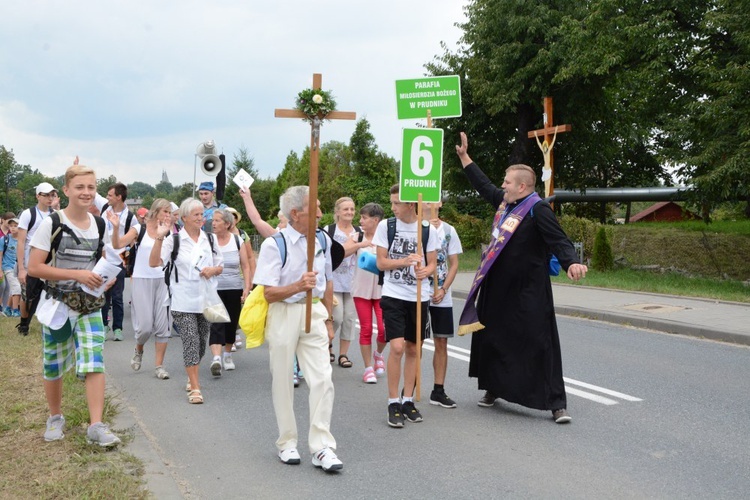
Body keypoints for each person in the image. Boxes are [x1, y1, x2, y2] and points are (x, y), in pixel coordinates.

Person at [455, 131, 587, 424]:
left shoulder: (537, 209)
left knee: (540, 342)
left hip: (529, 291)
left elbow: (559, 240)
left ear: (523, 186)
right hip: (497, 289)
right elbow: (483, 185)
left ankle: (556, 403)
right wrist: (465, 158)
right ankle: (493, 388)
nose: (502, 185)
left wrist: (571, 263)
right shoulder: (504, 204)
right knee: (493, 339)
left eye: (507, 182)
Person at [27, 164, 121, 447]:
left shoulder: (100, 224)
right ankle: (55, 417)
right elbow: (34, 268)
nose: (86, 192)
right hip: (57, 306)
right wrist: (76, 274)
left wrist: (107, 279)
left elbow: (105, 259)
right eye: (79, 187)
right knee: (53, 366)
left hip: (90, 305)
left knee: (94, 360)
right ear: (66, 190)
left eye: (91, 187)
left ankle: (96, 425)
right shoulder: (51, 223)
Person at [253, 185, 343, 472]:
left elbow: (327, 282)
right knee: (282, 379)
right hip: (283, 313)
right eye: (313, 209)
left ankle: (322, 447)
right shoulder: (273, 245)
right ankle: (287, 442)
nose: (319, 213)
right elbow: (268, 293)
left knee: (323, 379)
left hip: (314, 311)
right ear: (295, 214)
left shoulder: (323, 241)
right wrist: (297, 286)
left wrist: (328, 319)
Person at [374, 184, 437, 428]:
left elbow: (432, 263)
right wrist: (404, 261)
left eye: (397, 203)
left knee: (414, 348)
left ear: (411, 204)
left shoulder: (427, 229)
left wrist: (425, 270)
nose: (393, 208)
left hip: (419, 296)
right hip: (393, 293)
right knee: (397, 347)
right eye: (392, 203)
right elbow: (380, 263)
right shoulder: (386, 226)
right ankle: (392, 402)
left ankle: (408, 399)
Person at [149, 198, 223, 404]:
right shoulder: (174, 240)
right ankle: (196, 388)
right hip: (182, 300)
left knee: (200, 343)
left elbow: (220, 266)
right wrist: (159, 238)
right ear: (184, 218)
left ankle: (193, 376)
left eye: (202, 214)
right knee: (190, 340)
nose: (201, 218)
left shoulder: (210, 239)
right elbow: (154, 262)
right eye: (196, 215)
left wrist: (213, 270)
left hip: (205, 300)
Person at [112, 199, 173, 380]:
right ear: (155, 212)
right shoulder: (140, 230)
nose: (168, 216)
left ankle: (159, 366)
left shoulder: (170, 233)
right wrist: (115, 228)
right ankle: (139, 348)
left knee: (163, 326)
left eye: (170, 212)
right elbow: (118, 245)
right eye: (165, 212)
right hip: (141, 279)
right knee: (145, 327)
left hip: (163, 280)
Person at [424, 201, 463, 409]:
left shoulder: (449, 230)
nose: (431, 203)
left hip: (441, 294)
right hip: (419, 291)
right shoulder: (416, 227)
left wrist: (444, 289)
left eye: (434, 199)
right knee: (415, 342)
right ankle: (409, 389)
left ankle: (438, 390)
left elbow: (454, 263)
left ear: (440, 203)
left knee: (441, 341)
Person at [207, 209, 251, 376]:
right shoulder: (209, 241)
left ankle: (227, 355)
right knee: (216, 323)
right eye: (213, 220)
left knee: (231, 323)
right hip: (214, 289)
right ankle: (216, 358)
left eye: (218, 220)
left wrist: (247, 288)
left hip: (234, 287)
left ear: (227, 224)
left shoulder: (237, 240)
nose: (214, 223)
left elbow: (245, 266)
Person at [351, 203, 387, 383]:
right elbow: (341, 253)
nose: (360, 221)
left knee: (384, 329)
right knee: (365, 329)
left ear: (375, 220)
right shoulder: (356, 235)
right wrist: (360, 244)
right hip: (361, 290)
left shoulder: (387, 236)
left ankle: (378, 355)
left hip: (382, 291)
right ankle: (367, 368)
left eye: (364, 218)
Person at [16, 182, 58, 335]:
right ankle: (24, 323)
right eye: (45, 195)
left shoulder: (55, 214)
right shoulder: (29, 214)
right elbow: (20, 241)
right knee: (28, 296)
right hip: (30, 263)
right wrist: (21, 268)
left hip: (49, 264)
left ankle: (46, 324)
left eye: (51, 195)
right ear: (38, 196)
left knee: (47, 295)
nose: (49, 198)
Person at [325, 197, 361, 368]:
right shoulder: (329, 230)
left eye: (352, 209)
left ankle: (343, 355)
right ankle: (328, 345)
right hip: (333, 280)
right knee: (337, 317)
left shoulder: (359, 231)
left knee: (349, 319)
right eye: (346, 209)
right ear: (337, 212)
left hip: (353, 282)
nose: (349, 212)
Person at [102, 182, 140, 341]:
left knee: (117, 297)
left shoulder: (131, 217)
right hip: (104, 258)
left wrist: (126, 259)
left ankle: (118, 328)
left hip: (119, 260)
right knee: (103, 294)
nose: (107, 197)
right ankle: (104, 325)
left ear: (119, 197)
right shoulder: (105, 210)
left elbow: (133, 241)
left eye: (110, 195)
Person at [0, 218, 22, 316]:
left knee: (14, 289)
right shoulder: (4, 239)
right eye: (11, 226)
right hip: (8, 267)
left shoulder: (22, 240)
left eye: (15, 226)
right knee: (17, 288)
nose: (13, 228)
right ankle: (15, 310)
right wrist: (0, 270)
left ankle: (7, 309)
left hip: (18, 267)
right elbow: (0, 255)